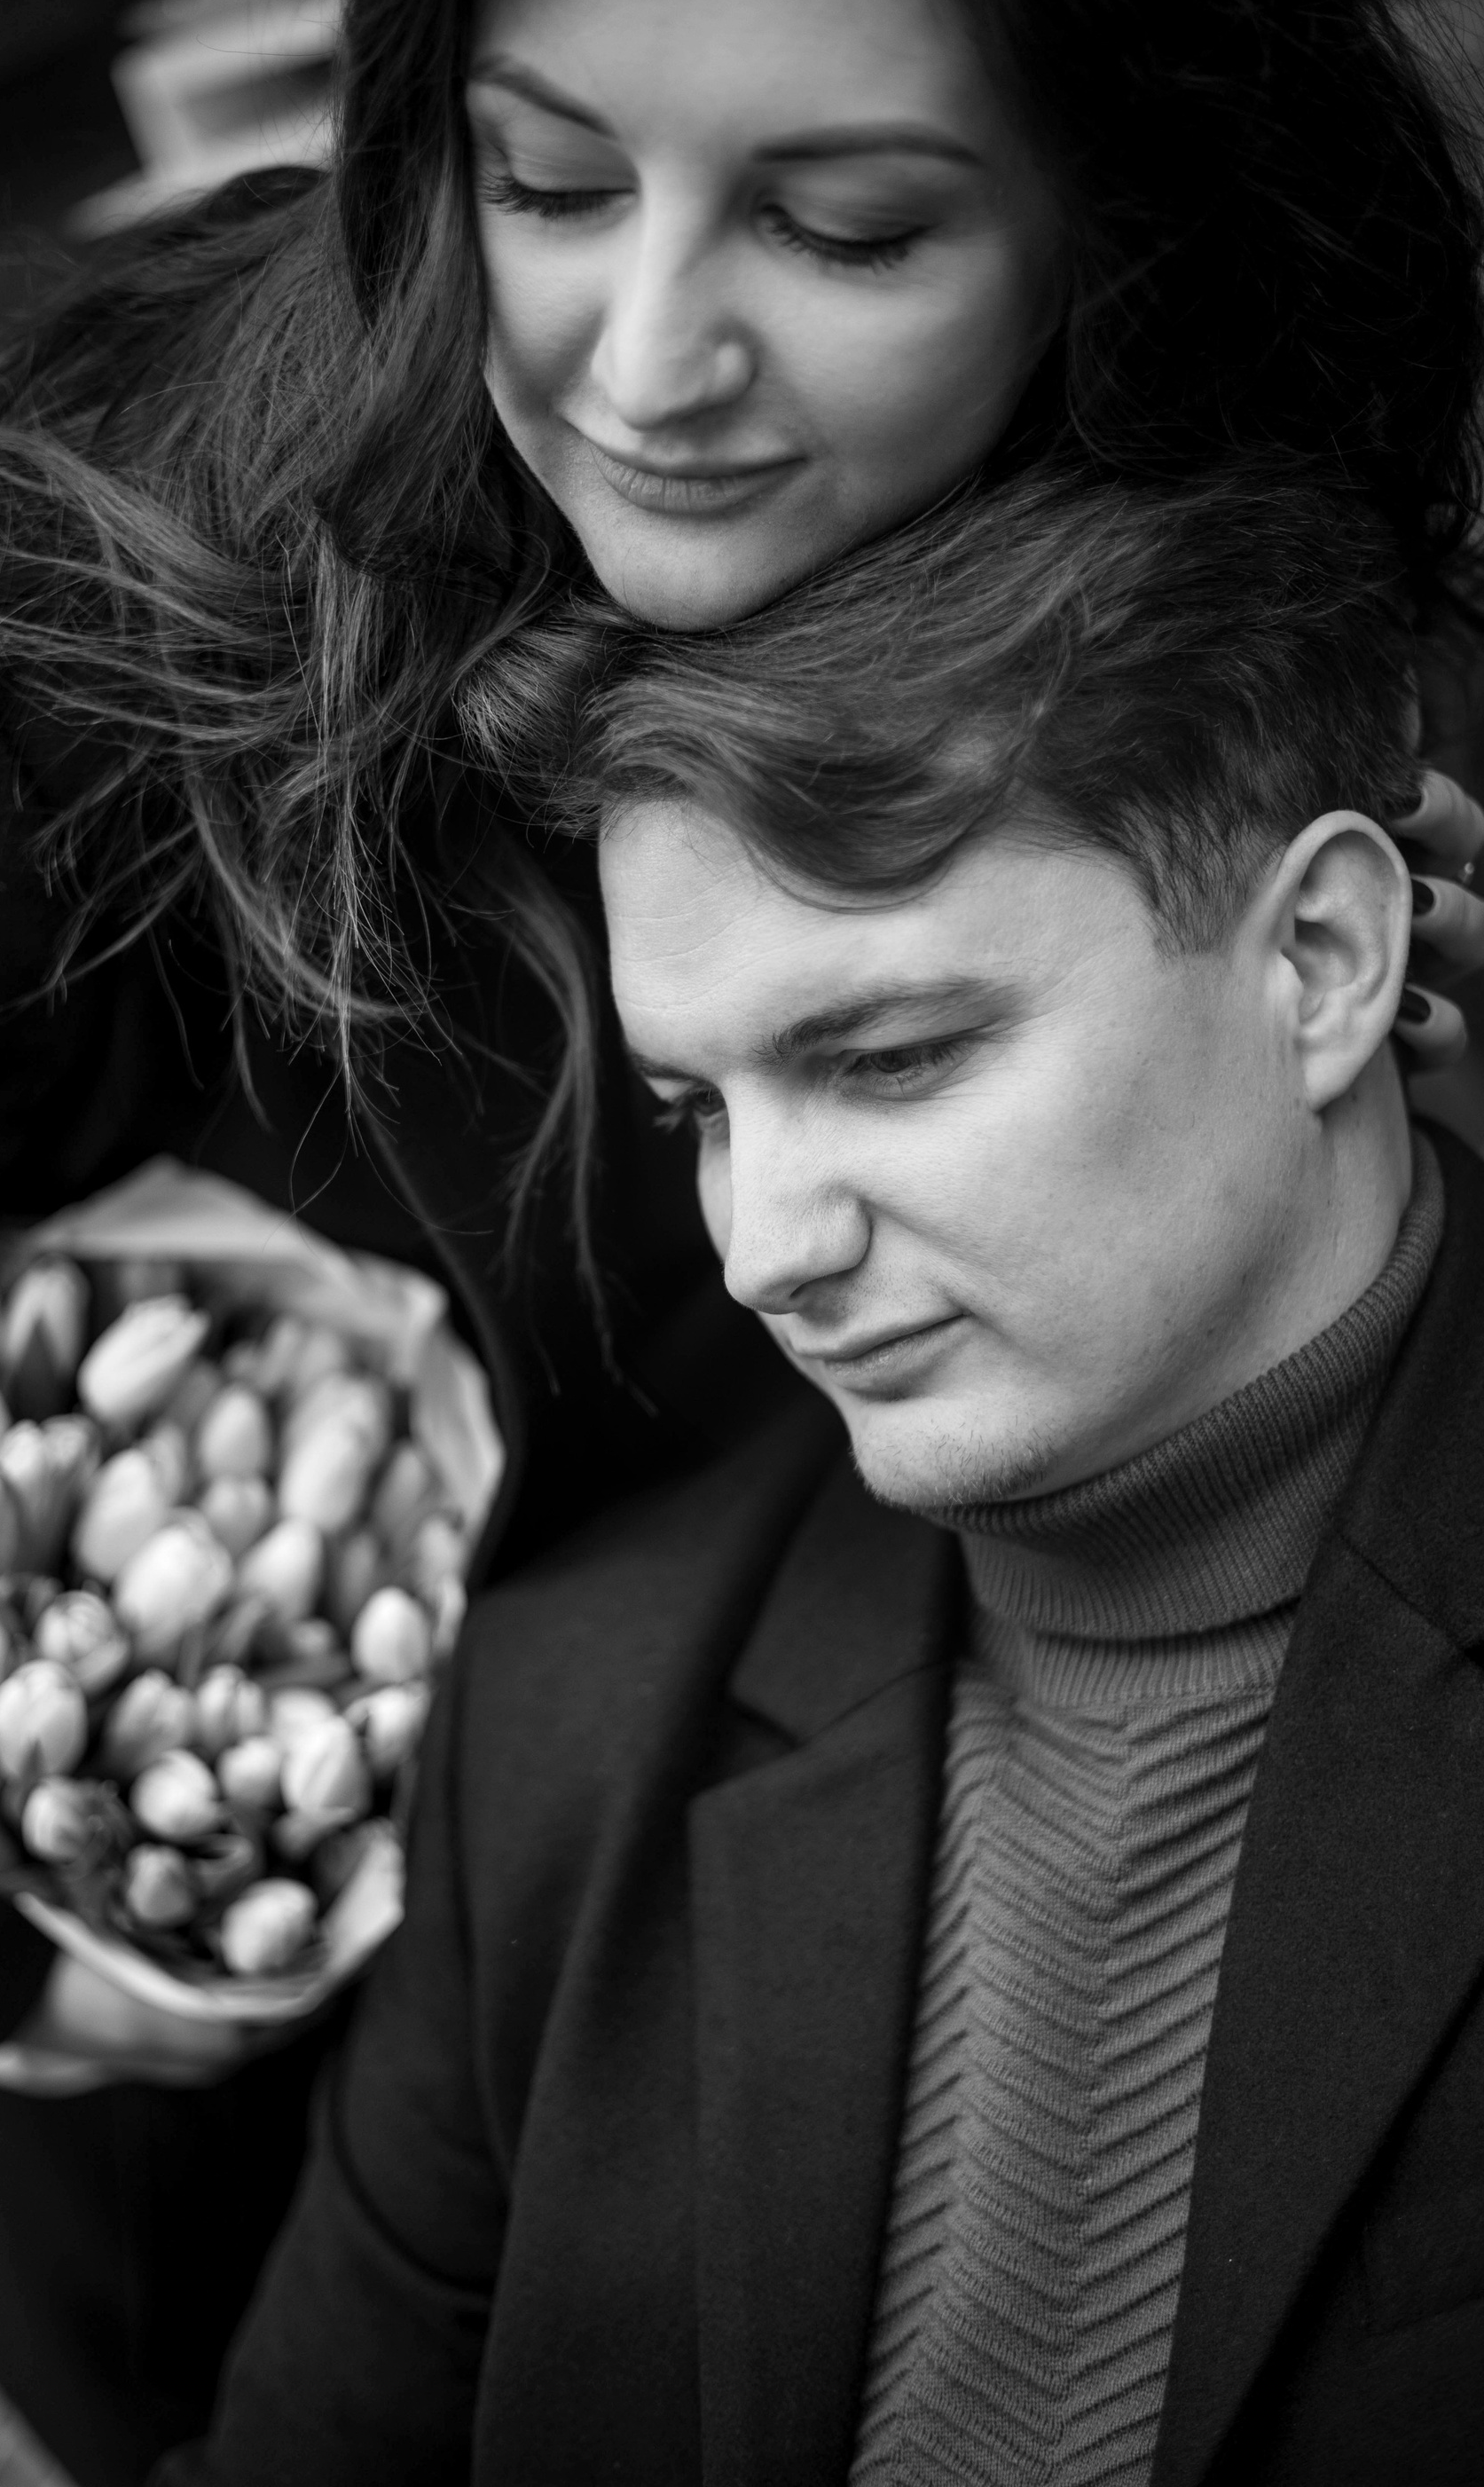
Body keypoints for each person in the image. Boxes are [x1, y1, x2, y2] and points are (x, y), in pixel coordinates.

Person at [0, 0, 1484, 2475]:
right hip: (298, 2013)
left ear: (1117, 207)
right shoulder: (110, 603)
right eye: (549, 182)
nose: (644, 363)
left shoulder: (1293, 509)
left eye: (846, 224)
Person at [173, 464, 1484, 2487]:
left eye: (889, 1060)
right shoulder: (563, 1734)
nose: (765, 1251)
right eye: (698, 1110)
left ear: (1318, 958)